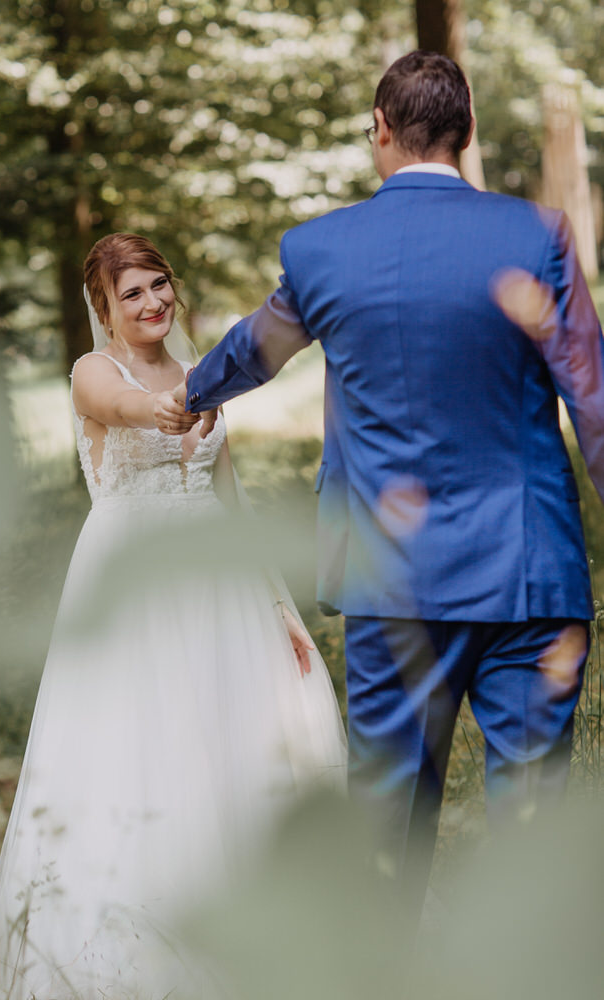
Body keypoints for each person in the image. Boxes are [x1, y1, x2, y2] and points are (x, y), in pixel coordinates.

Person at [173, 51, 604, 916]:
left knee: (384, 841)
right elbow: (591, 402)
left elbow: (253, 352)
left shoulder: (320, 248)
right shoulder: (538, 234)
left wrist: (185, 395)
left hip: (388, 580)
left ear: (379, 131)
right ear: (466, 130)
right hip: (527, 574)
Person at [0, 233, 346, 1000]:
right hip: (132, 582)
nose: (152, 302)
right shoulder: (92, 374)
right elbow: (128, 408)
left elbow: (230, 500)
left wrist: (279, 606)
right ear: (103, 308)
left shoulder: (203, 370)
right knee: (141, 746)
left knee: (236, 738)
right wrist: (170, 409)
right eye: (131, 293)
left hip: (220, 581)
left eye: (158, 285)